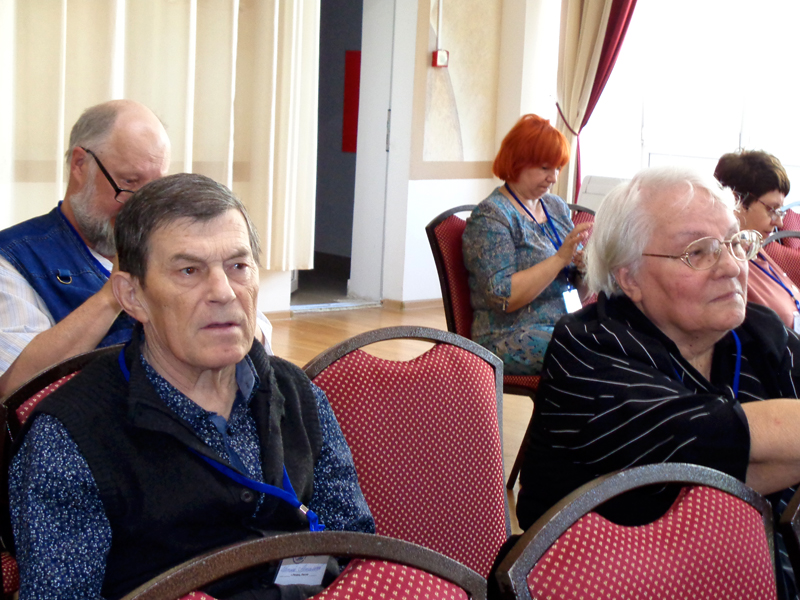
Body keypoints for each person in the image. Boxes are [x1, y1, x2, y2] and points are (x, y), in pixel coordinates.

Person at [9, 173, 375, 600]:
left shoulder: (297, 393)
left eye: (238, 266)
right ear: (133, 296)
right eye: (189, 270)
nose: (224, 292)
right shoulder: (72, 436)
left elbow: (357, 549)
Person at [516, 166, 800, 598]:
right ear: (630, 277)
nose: (731, 266)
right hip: (609, 580)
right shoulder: (588, 350)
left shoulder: (756, 332)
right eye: (698, 252)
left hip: (747, 567)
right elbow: (722, 449)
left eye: (734, 242)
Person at [0, 100, 171, 396]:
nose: (142, 205)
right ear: (80, 164)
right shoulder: (14, 257)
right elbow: (16, 383)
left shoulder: (172, 248)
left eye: (154, 188)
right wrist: (112, 296)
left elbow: (249, 342)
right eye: (129, 182)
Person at [461, 114, 590, 375]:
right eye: (545, 168)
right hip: (507, 335)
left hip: (562, 325)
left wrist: (585, 268)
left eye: (557, 168)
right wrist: (559, 259)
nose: (553, 178)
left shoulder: (555, 207)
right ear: (517, 162)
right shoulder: (492, 216)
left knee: (620, 340)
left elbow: (579, 294)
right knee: (589, 353)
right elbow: (503, 297)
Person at [714, 150, 800, 330]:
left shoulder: (754, 249)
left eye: (780, 211)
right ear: (736, 201)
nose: (779, 222)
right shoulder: (727, 267)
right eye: (772, 209)